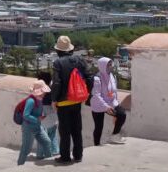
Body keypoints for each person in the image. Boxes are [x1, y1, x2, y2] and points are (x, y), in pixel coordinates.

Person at [50, 35, 92, 163]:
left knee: (65, 131)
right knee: (76, 129)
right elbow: (90, 78)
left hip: (63, 102)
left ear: (59, 51)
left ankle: (65, 156)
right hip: (77, 100)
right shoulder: (79, 60)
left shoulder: (58, 63)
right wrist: (87, 93)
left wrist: (54, 99)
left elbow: (57, 83)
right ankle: (78, 155)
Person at [91, 57, 127, 145]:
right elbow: (96, 95)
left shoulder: (112, 76)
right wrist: (106, 106)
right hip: (98, 105)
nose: (110, 66)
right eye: (108, 65)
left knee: (122, 114)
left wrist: (116, 103)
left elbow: (114, 91)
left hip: (111, 103)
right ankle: (96, 144)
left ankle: (114, 136)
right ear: (102, 66)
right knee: (99, 126)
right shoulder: (97, 78)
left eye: (111, 64)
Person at [17, 80, 53, 165]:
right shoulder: (31, 101)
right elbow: (25, 115)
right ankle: (19, 166)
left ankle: (49, 161)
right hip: (28, 128)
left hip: (37, 127)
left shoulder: (39, 100)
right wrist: (37, 119)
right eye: (43, 91)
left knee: (47, 142)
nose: (44, 93)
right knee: (26, 149)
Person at [37, 71, 59, 159]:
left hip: (44, 112)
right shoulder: (53, 88)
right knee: (52, 133)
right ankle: (55, 151)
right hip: (53, 112)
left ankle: (40, 154)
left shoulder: (41, 89)